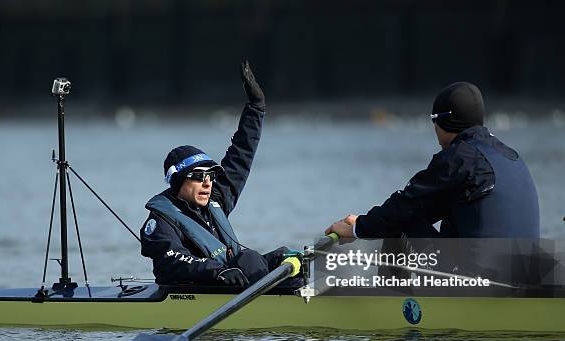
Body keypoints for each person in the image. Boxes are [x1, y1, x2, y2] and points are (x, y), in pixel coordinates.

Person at [324, 82, 540, 278]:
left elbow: (406, 206)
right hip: (529, 278)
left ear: (443, 120)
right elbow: (429, 207)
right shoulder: (510, 155)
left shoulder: (458, 158)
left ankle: (391, 308)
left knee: (404, 218)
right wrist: (367, 222)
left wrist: (358, 228)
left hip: (480, 285)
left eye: (433, 122)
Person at [141, 61, 300, 287]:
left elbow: (241, 156)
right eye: (198, 176)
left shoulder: (215, 201)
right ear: (177, 181)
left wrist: (257, 107)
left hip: (225, 277)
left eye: (211, 176)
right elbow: (171, 260)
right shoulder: (161, 220)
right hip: (192, 289)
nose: (207, 183)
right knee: (250, 260)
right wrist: (217, 272)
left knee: (286, 259)